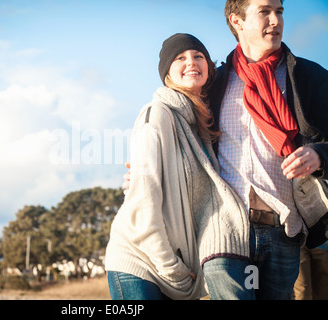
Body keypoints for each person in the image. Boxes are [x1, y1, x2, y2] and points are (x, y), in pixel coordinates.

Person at [123, 0, 328, 300]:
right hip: (224, 229)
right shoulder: (213, 84)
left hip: (285, 227)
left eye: (280, 11)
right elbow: (175, 137)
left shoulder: (309, 77)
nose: (276, 20)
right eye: (265, 11)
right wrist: (143, 173)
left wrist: (319, 154)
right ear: (237, 21)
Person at [105, 33, 250, 300]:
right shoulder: (158, 114)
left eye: (198, 56)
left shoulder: (200, 124)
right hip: (139, 261)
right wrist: (170, 267)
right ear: (167, 73)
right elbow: (143, 200)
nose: (191, 62)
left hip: (175, 267)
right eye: (180, 58)